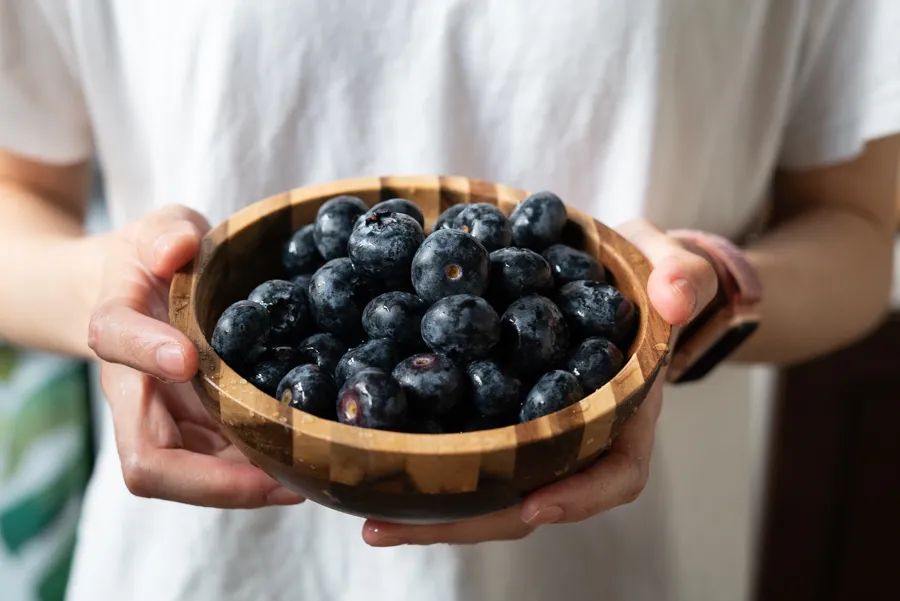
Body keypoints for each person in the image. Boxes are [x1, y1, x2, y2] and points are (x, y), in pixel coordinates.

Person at [1, 2, 898, 600]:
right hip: (210, 557)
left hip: (619, 563)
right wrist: (121, 304)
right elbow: (18, 188)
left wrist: (710, 292)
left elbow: (858, 226)